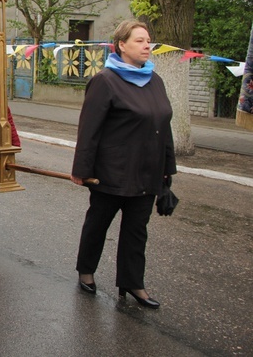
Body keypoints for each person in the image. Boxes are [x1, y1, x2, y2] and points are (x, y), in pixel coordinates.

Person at [71, 20, 176, 309]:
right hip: (112, 172)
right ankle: (86, 271)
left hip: (147, 172)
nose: (147, 46)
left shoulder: (155, 80)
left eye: (149, 41)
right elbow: (89, 129)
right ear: (122, 45)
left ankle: (132, 283)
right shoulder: (105, 80)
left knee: (136, 230)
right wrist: (82, 169)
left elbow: (163, 126)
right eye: (140, 40)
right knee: (98, 224)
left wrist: (168, 169)